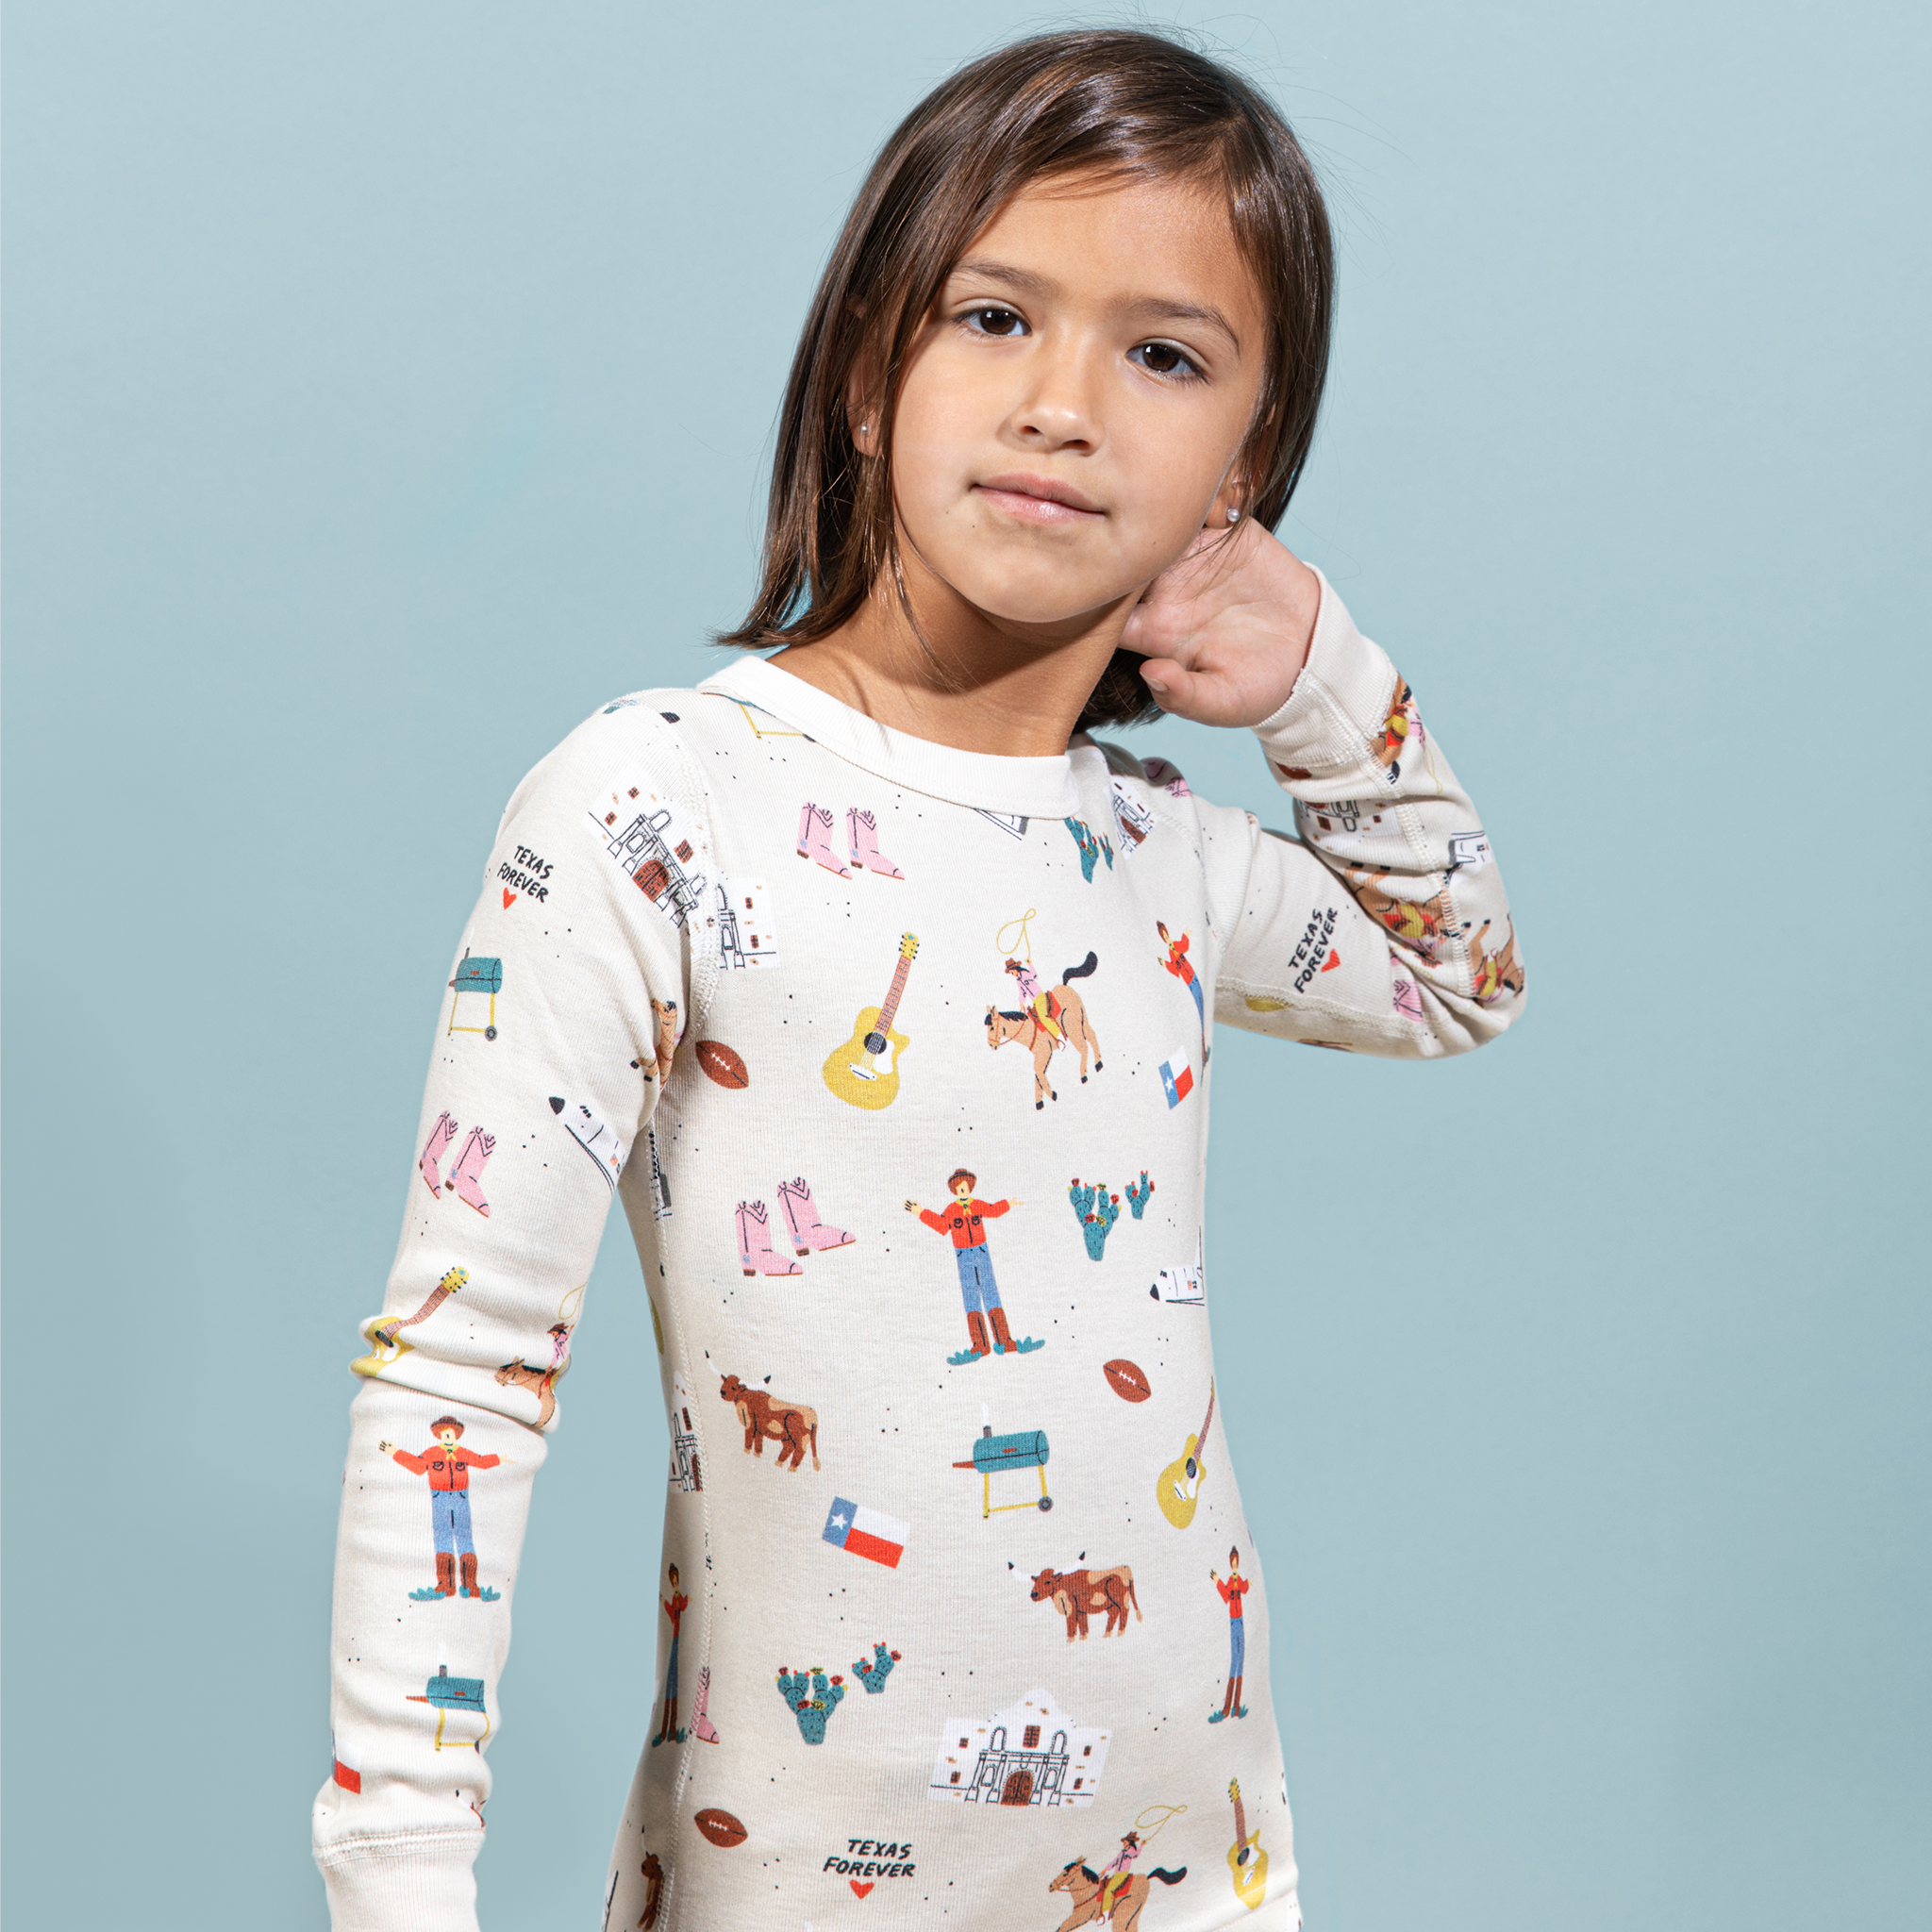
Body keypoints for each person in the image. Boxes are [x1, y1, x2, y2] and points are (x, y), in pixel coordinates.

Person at [313, 28, 1524, 1932]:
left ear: (1244, 465)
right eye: (993, 316)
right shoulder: (654, 808)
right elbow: (459, 1376)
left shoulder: (1164, 858)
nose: (1061, 405)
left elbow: (1454, 972)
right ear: (869, 372)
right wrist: (399, 1881)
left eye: (1163, 355)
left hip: (1190, 1875)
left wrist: (1317, 674)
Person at [905, 1168, 1026, 1359]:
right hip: (963, 1256)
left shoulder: (977, 1205)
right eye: (959, 1187)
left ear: (970, 1187)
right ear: (954, 1190)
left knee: (991, 1293)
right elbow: (941, 1225)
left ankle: (1004, 1340)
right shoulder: (951, 1210)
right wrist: (921, 1212)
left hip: (981, 1251)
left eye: (966, 1186)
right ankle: (980, 1345)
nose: (963, 1190)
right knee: (971, 1298)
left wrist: (1008, 1204)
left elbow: (992, 1211)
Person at [1210, 1545, 1252, 1722]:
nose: (1235, 1566)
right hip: (1234, 1621)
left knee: (1240, 1659)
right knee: (1235, 1659)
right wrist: (1218, 1581)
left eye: (1236, 1563)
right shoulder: (1229, 1580)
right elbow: (1227, 1596)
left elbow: (1243, 1588)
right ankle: (1227, 1707)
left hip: (1240, 1620)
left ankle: (1236, 1707)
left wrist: (1247, 1583)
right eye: (1233, 1563)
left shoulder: (1238, 1579)